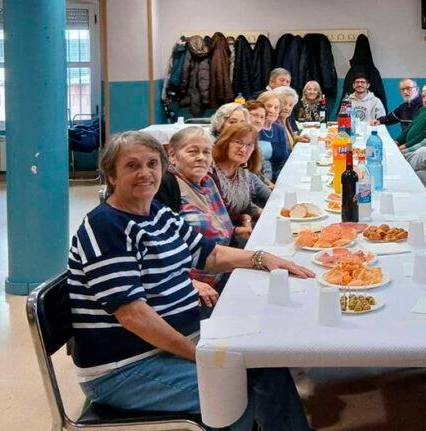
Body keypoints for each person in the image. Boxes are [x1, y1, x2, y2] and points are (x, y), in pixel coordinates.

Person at [68, 131, 314, 431]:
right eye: (132, 166)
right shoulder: (106, 226)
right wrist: (198, 355)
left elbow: (208, 254)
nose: (145, 173)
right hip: (126, 366)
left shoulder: (156, 212)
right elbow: (133, 315)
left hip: (172, 341)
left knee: (264, 359)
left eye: (152, 164)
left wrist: (263, 258)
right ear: (111, 175)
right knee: (236, 388)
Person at [162, 127, 236, 301]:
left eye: (206, 152)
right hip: (186, 288)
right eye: (193, 152)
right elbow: (157, 252)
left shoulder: (207, 181)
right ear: (172, 155)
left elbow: (224, 227)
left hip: (221, 273)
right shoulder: (165, 185)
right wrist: (189, 282)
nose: (201, 157)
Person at [213, 123, 267, 243]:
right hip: (220, 240)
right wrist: (240, 227)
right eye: (238, 142)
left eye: (249, 145)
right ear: (225, 143)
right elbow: (213, 218)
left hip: (239, 231)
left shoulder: (243, 172)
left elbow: (245, 208)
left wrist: (247, 220)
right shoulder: (210, 173)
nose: (243, 149)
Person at [256, 91, 290, 180]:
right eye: (269, 106)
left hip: (279, 177)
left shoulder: (279, 129)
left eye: (276, 108)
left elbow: (285, 157)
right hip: (260, 180)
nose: (272, 110)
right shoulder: (254, 128)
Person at [395, 83, 426, 149]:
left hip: (417, 149)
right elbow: (409, 128)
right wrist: (396, 142)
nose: (425, 99)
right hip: (407, 146)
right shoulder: (422, 109)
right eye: (423, 96)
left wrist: (404, 147)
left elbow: (425, 135)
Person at [244, 100, 276, 193]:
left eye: (262, 117)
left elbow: (258, 173)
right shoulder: (243, 142)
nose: (258, 120)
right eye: (255, 115)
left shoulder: (255, 140)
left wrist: (270, 184)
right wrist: (267, 188)